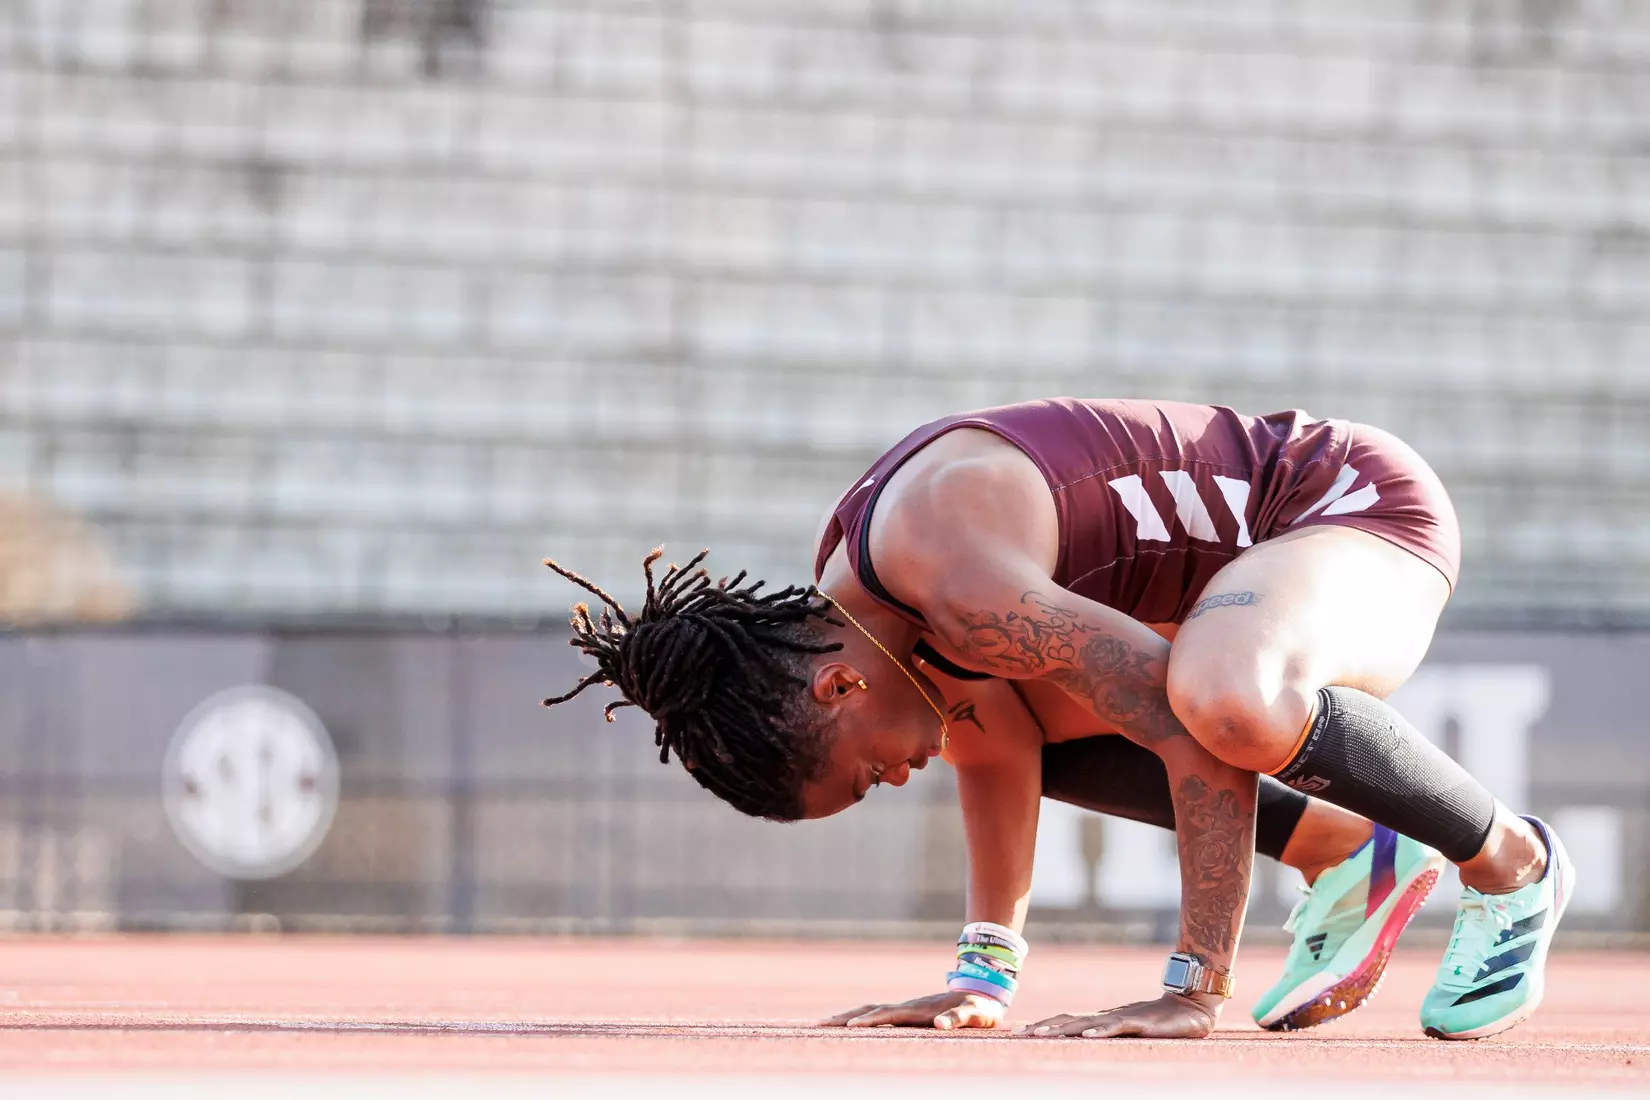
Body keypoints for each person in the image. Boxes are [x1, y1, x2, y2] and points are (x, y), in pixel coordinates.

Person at [542, 398, 1571, 1041]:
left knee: (1217, 692)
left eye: (864, 777)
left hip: (1355, 507)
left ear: (834, 689)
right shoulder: (883, 613)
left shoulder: (953, 580)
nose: (898, 781)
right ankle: (1347, 847)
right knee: (1034, 721)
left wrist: (1194, 986)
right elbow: (1004, 757)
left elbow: (1181, 727)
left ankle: (1513, 863)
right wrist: (981, 974)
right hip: (1262, 569)